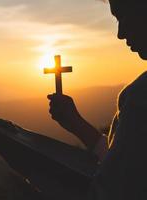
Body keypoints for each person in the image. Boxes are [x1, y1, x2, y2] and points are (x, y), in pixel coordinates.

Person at [47, 0, 147, 199]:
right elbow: (126, 162)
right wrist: (77, 125)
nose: (121, 33)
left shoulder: (139, 100)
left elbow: (115, 187)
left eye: (123, 18)